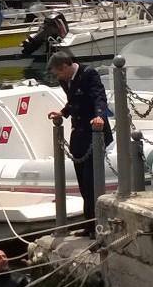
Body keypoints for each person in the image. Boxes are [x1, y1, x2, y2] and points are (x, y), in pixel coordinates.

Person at [47, 50, 109, 237]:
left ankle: (97, 226)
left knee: (91, 182)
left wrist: (99, 116)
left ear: (65, 67)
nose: (58, 78)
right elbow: (73, 100)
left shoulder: (88, 74)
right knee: (83, 183)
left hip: (94, 132)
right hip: (79, 134)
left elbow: (99, 96)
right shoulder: (65, 80)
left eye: (58, 73)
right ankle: (89, 225)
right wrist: (63, 112)